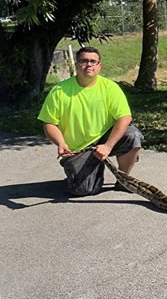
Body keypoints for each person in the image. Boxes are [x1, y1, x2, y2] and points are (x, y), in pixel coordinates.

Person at [38, 46, 143, 195]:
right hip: (79, 148)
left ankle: (123, 180)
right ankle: (81, 171)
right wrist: (60, 143)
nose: (89, 65)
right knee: (84, 190)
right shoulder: (59, 90)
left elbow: (124, 117)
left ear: (99, 66)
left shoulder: (110, 87)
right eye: (84, 61)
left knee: (132, 135)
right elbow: (49, 123)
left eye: (93, 61)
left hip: (106, 139)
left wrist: (107, 146)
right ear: (76, 65)